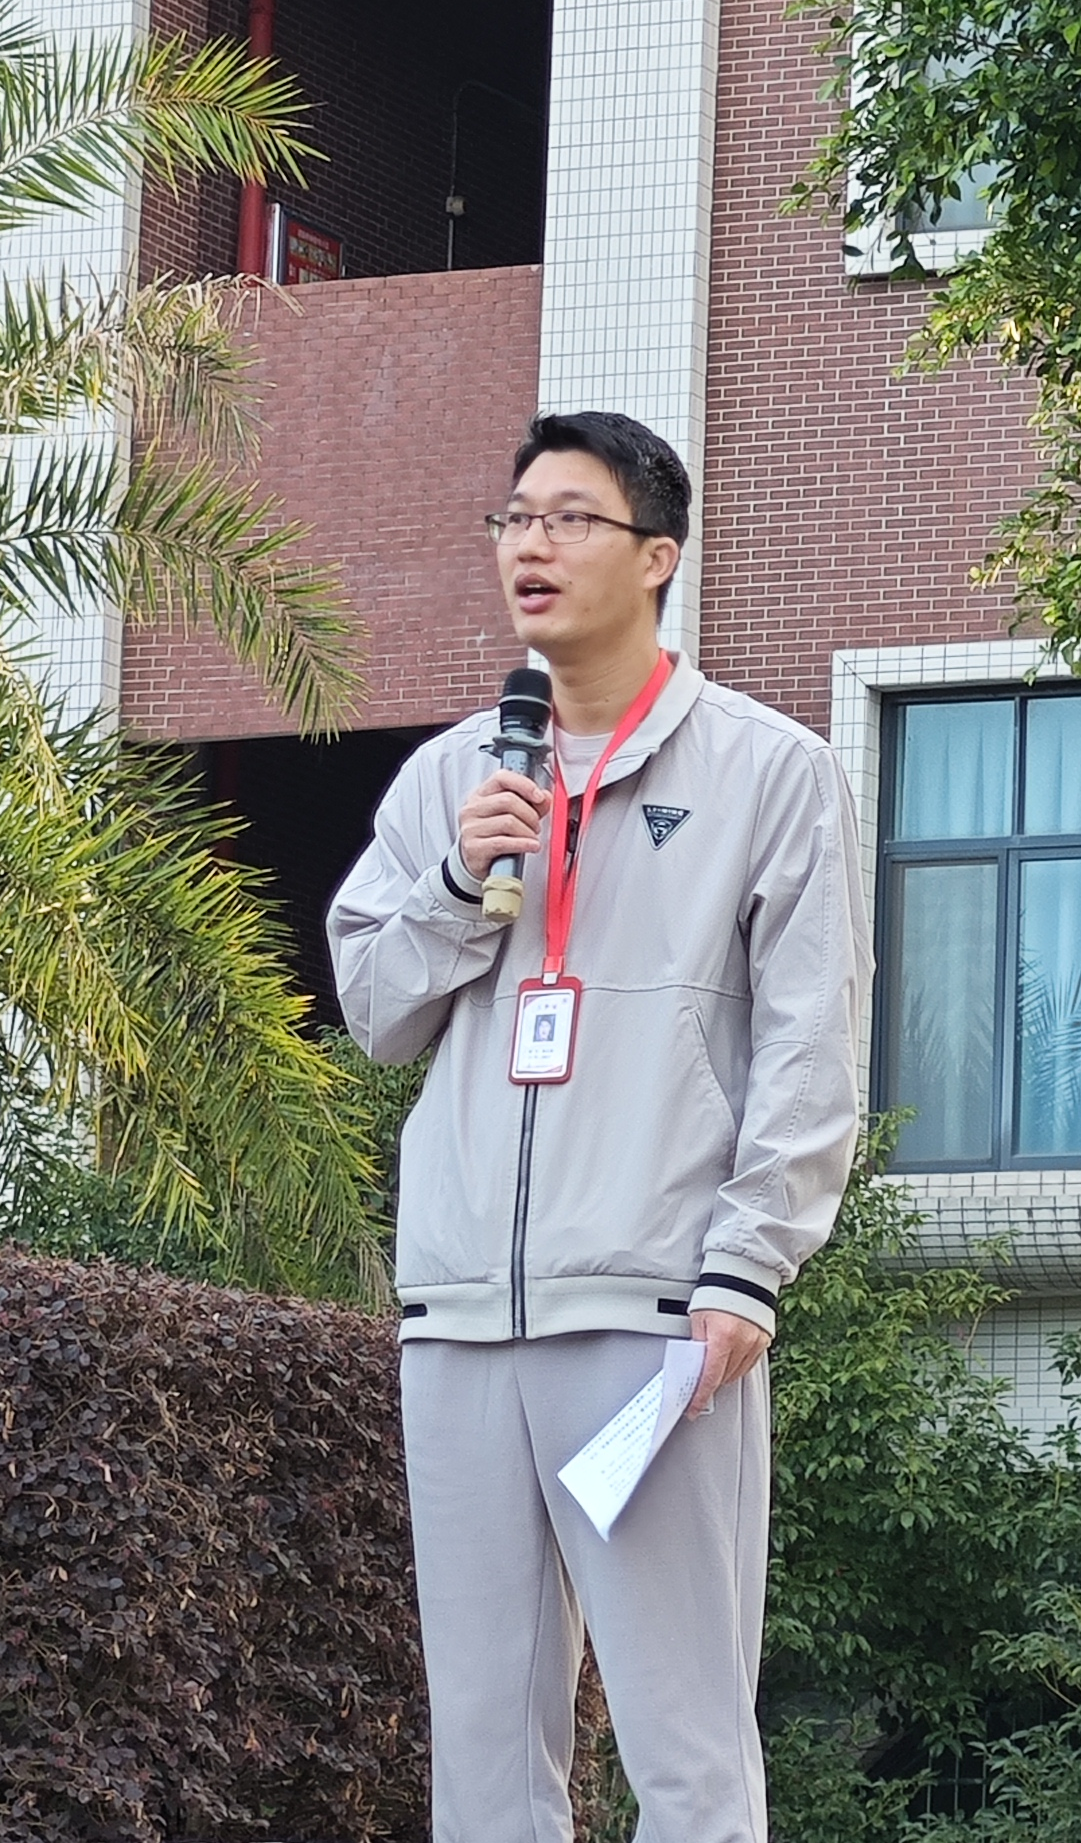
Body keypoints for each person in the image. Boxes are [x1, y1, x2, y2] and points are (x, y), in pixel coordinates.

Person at [327, 411, 870, 1843]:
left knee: (683, 1749)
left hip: (653, 1320)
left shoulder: (769, 772)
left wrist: (748, 1267)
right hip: (459, 1321)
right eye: (514, 519)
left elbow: (812, 1048)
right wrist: (458, 884)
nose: (533, 546)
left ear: (657, 556)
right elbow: (374, 1010)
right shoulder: (451, 778)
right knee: (484, 1759)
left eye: (570, 518)